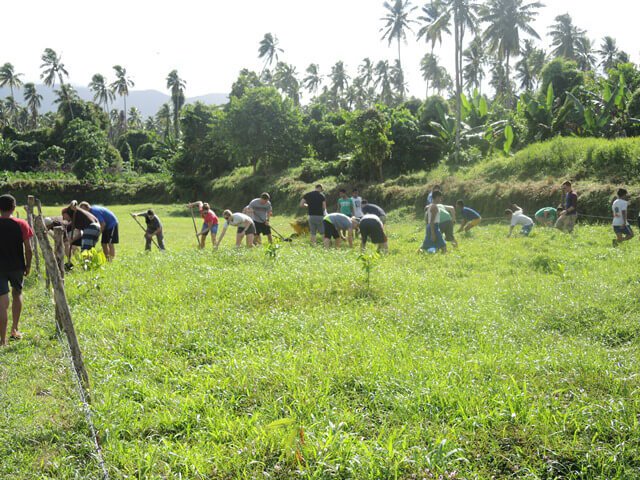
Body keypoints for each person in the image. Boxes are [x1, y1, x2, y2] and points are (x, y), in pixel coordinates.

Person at [0, 194, 33, 346]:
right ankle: (15, 329)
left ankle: (3, 340)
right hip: (17, 266)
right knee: (17, 293)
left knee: (2, 301)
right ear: (14, 207)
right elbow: (28, 248)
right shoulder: (21, 224)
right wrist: (28, 265)